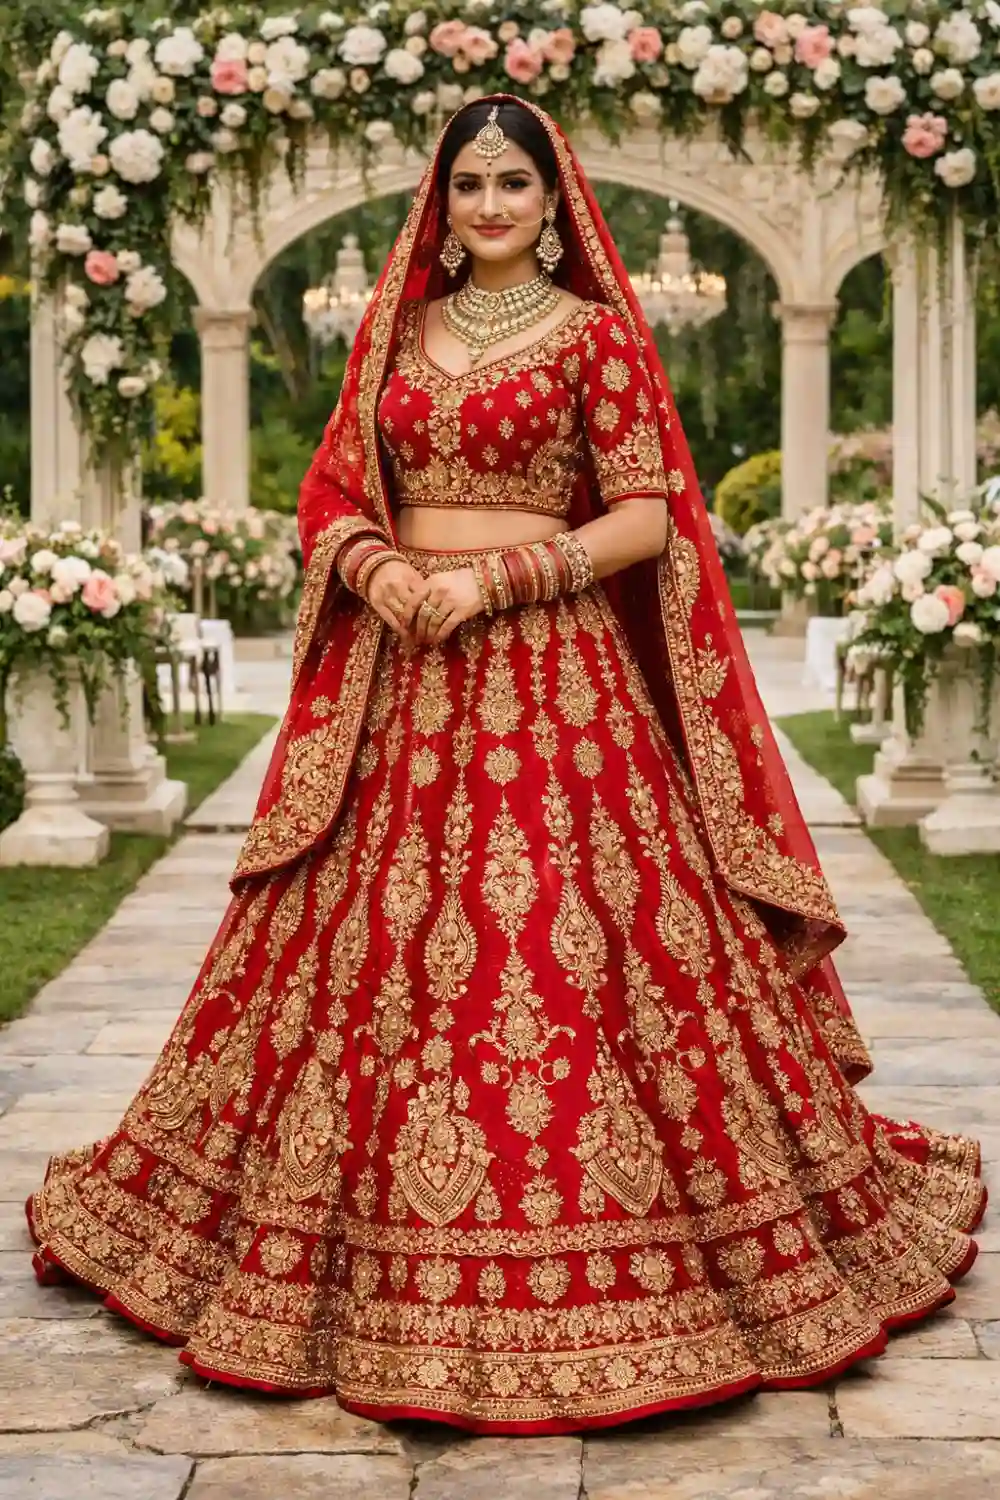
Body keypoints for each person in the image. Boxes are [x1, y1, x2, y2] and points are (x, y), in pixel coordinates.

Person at [27, 96, 985, 1435]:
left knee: (577, 953)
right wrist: (379, 569)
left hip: (558, 682)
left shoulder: (596, 334)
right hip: (404, 677)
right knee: (372, 959)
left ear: (553, 200)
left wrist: (499, 581)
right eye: (468, 184)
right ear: (443, 196)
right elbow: (333, 499)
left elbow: (649, 518)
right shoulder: (394, 329)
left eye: (512, 186)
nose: (487, 207)